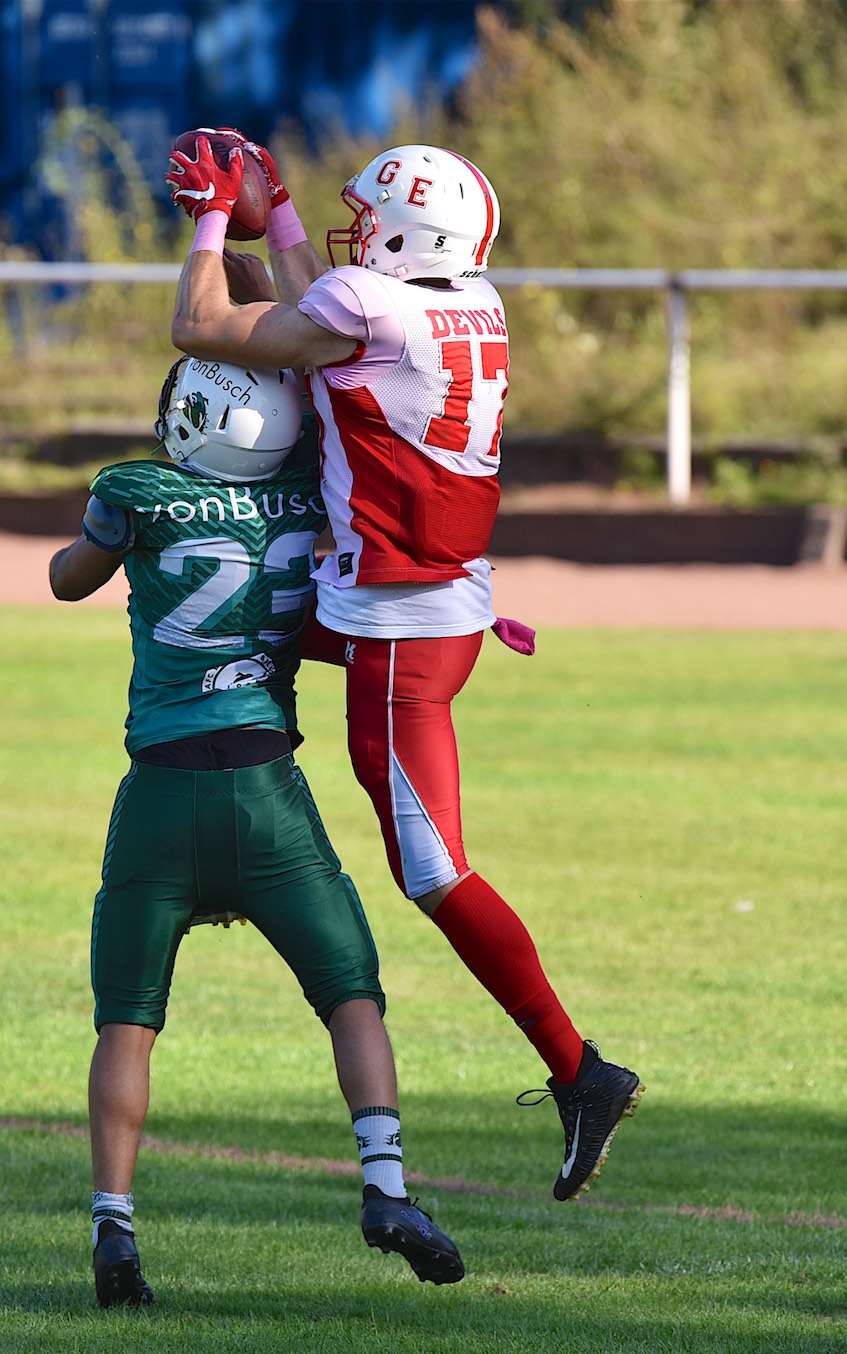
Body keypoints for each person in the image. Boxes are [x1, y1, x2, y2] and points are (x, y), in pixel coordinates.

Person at [164, 131, 642, 1201]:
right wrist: (276, 210)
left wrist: (210, 213)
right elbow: (323, 309)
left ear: (408, 232)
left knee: (431, 870)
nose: (350, 233)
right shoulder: (462, 300)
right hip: (428, 608)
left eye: (365, 218)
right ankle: (221, 831)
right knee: (247, 626)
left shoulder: (368, 306)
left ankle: (579, 1070)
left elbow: (202, 324)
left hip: (395, 631)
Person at [50, 349, 464, 1308]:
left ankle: (115, 1225)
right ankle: (387, 1186)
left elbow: (71, 579)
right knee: (350, 994)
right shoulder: (305, 497)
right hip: (266, 791)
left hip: (159, 793)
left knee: (128, 1020)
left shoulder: (137, 490)